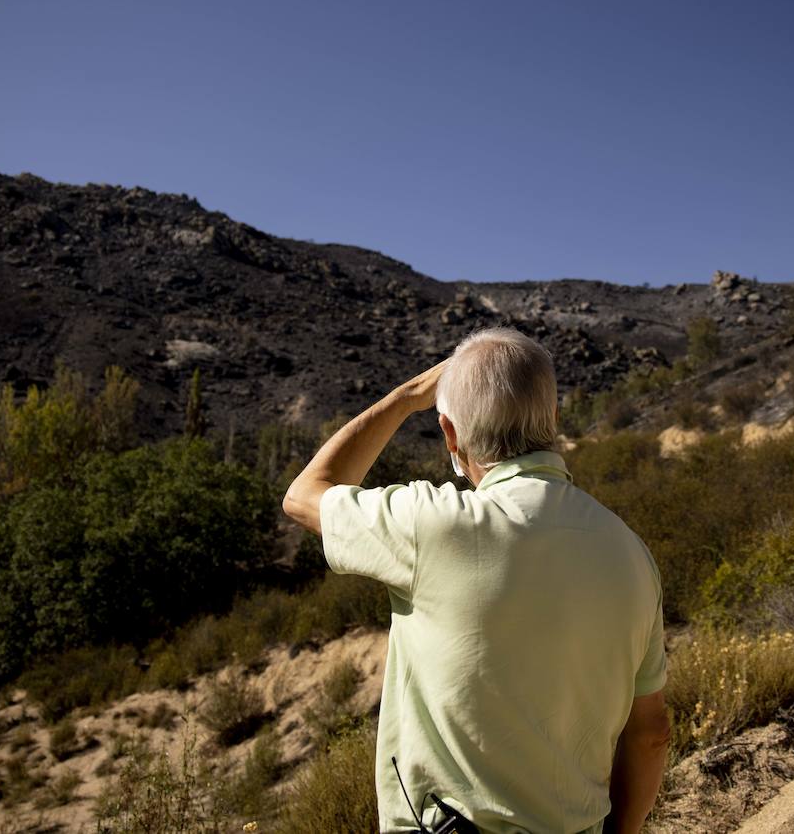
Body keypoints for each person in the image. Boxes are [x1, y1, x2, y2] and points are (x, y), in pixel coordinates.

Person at [283, 327, 670, 834]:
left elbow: (305, 494)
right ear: (553, 421)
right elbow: (651, 736)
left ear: (449, 433)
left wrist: (404, 401)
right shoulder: (632, 553)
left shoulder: (431, 524)